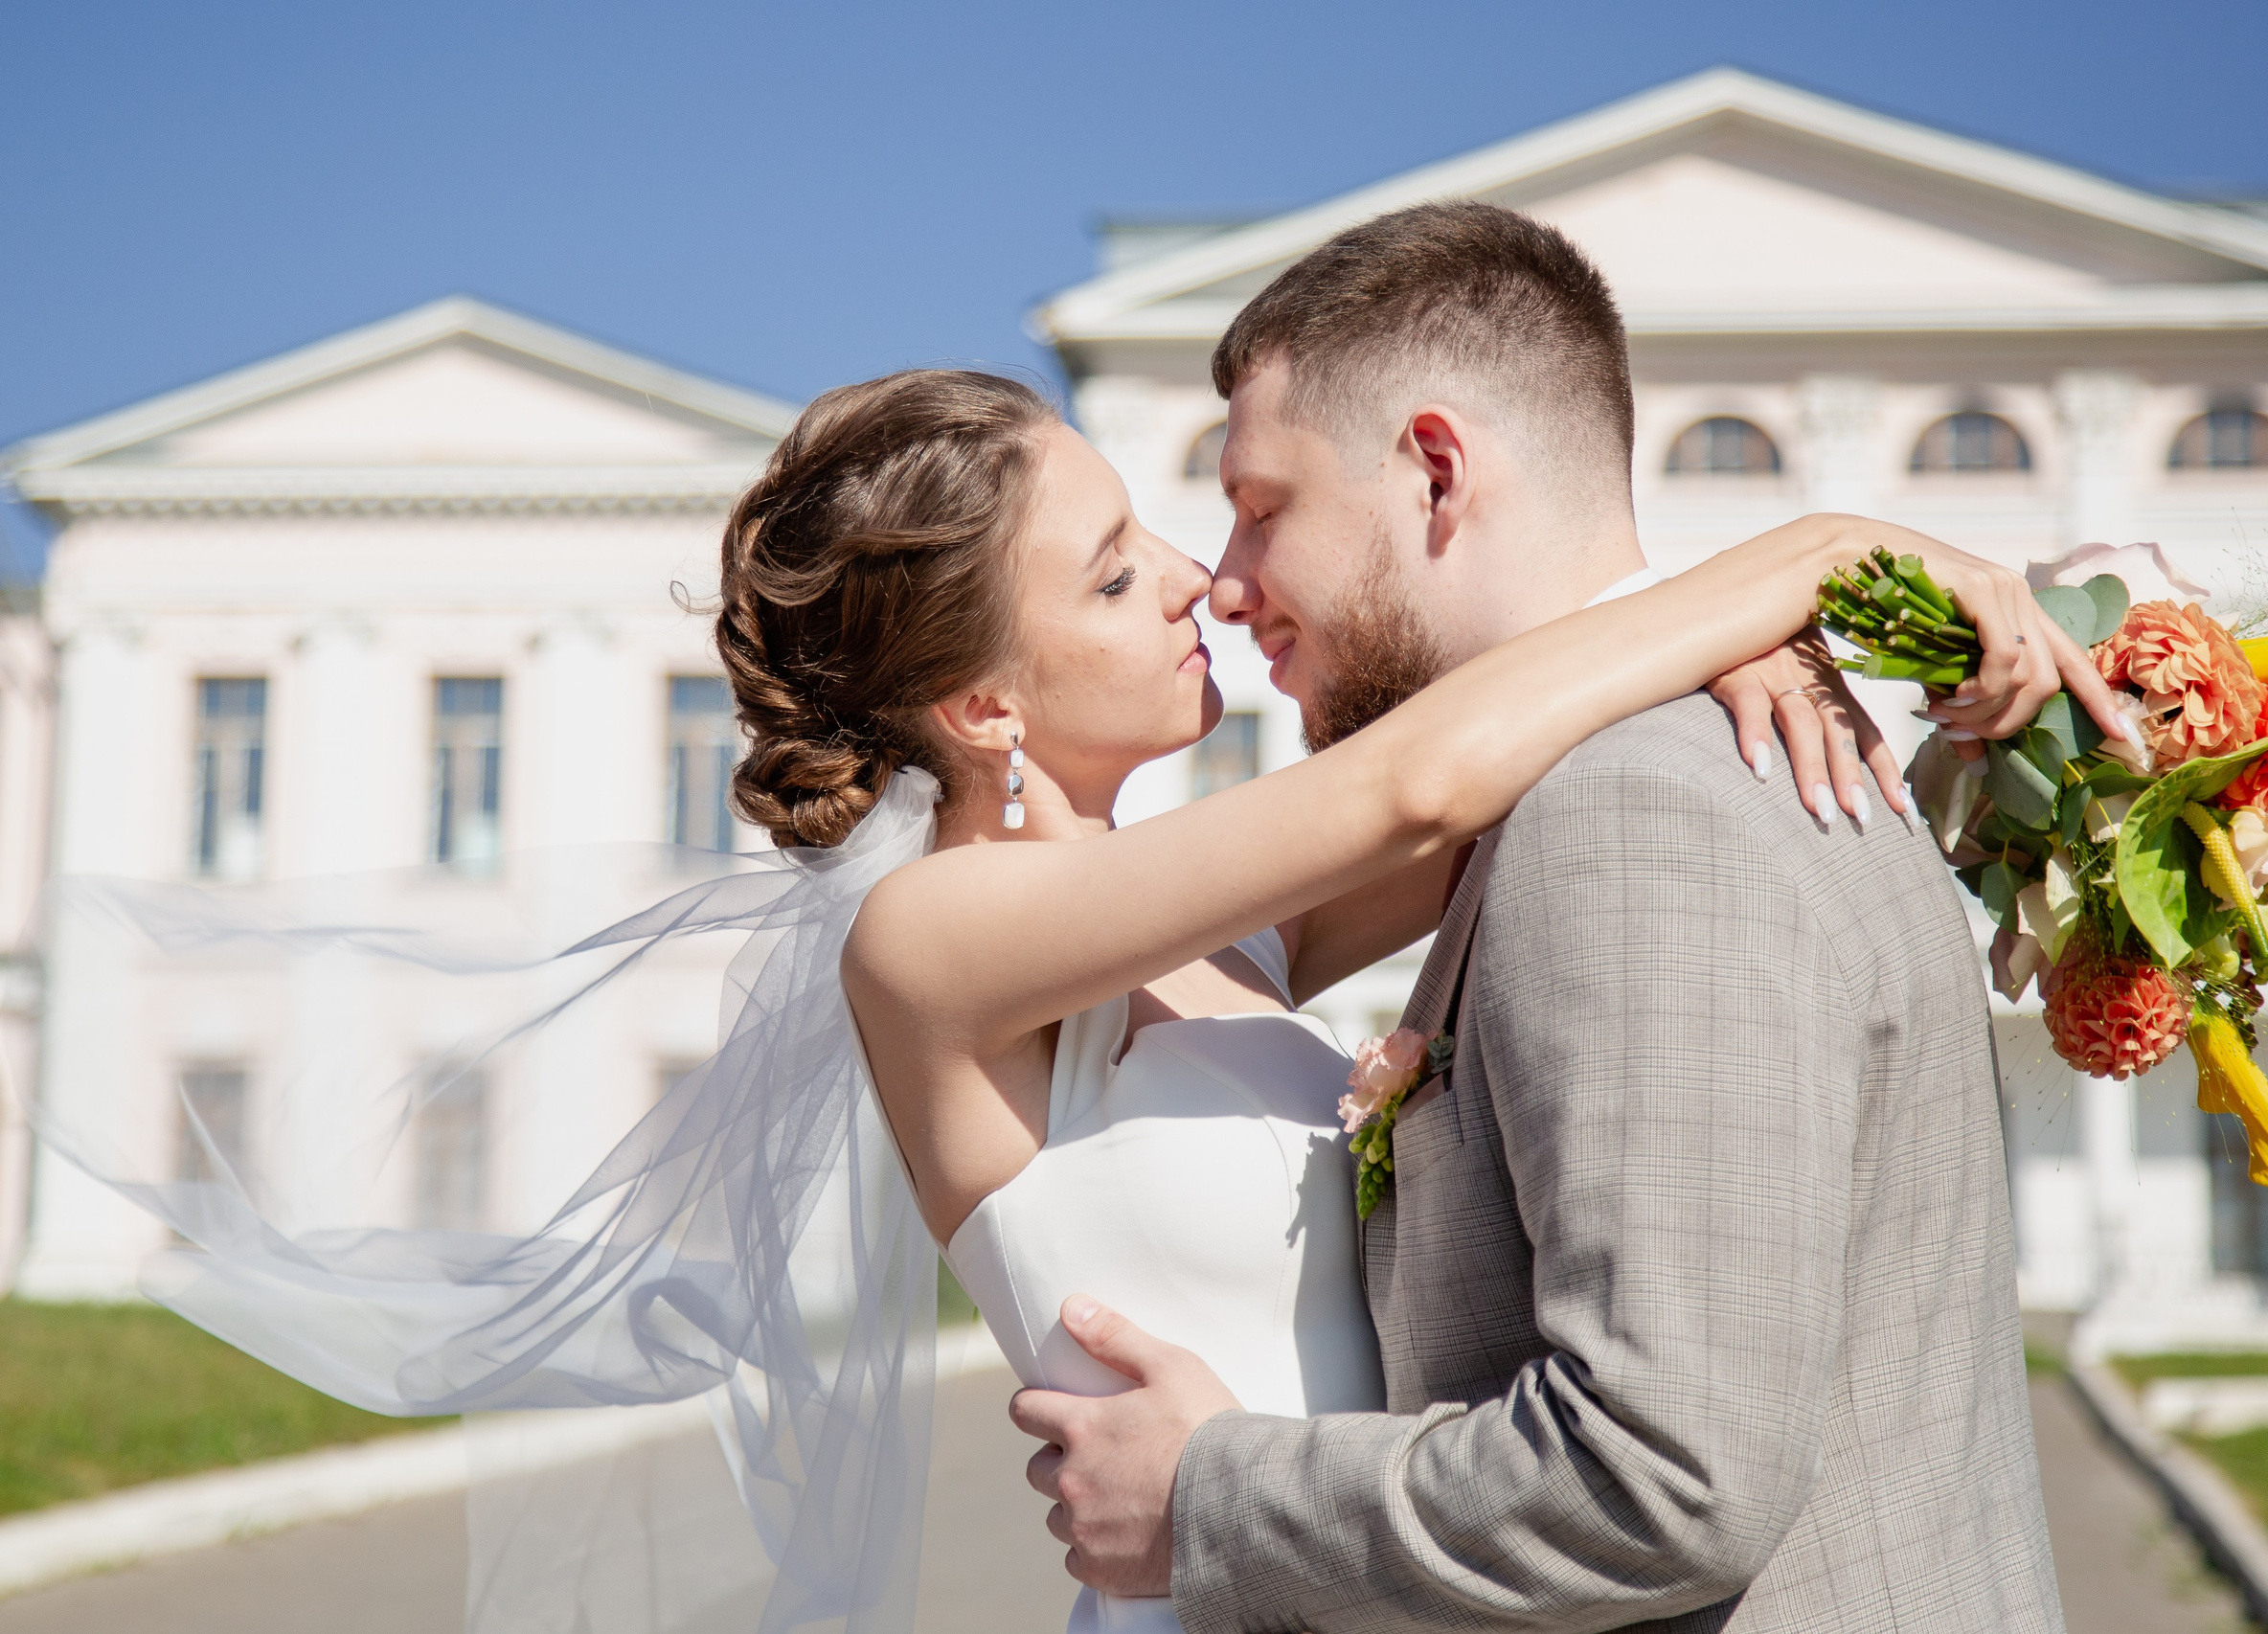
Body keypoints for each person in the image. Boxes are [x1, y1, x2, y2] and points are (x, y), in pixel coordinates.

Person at [36, 218, 2110, 1634]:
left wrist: (1736, 657)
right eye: (1119, 571)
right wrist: (1811, 556)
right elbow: (1420, 783)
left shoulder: (1207, 926)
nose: (1202, 582)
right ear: (989, 700)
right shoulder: (935, 948)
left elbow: (1522, 773)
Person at [1003, 202, 2098, 1634]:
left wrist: (1209, 1494)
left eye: (1263, 504)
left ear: (1437, 474)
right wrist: (1763, 590)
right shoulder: (1674, 758)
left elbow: (1665, 1472)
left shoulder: (1637, 807)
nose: (1222, 580)